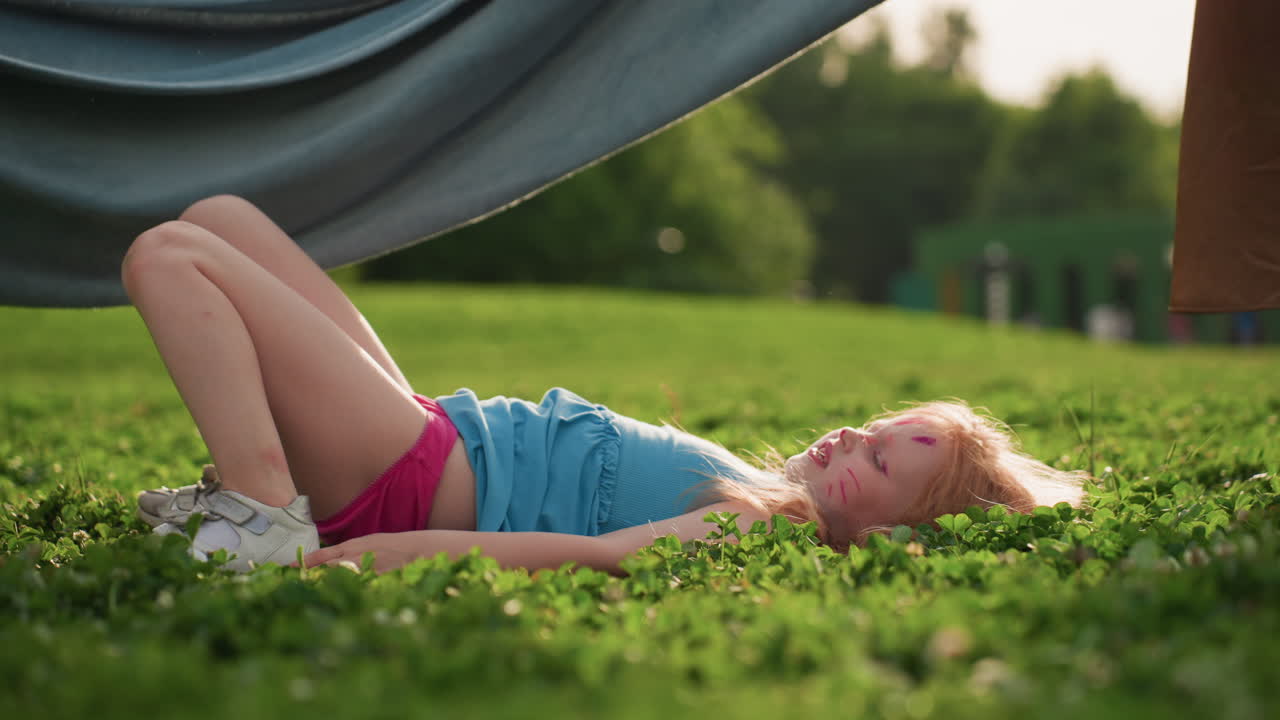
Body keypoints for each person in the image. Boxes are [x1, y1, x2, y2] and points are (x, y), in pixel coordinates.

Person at [125, 195, 1087, 574]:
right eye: (871, 427)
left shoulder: (759, 523)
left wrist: (340, 562)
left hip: (406, 474)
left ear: (885, 536)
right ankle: (259, 498)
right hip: (419, 430)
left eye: (879, 458)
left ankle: (263, 517)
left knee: (171, 256)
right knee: (220, 216)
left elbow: (578, 554)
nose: (849, 438)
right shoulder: (755, 489)